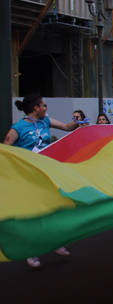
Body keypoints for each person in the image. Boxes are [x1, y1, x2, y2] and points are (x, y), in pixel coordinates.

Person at [3, 94, 77, 267]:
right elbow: (5, 149)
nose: (46, 108)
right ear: (36, 108)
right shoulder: (18, 128)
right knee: (34, 213)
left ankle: (56, 243)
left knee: (54, 206)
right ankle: (32, 251)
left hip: (47, 172)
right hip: (28, 176)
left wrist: (77, 123)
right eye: (43, 105)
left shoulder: (46, 121)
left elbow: (67, 127)